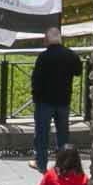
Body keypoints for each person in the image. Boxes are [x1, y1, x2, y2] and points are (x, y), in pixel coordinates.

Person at [29, 26, 81, 169]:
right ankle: (62, 164)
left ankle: (41, 163)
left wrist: (35, 96)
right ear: (60, 38)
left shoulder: (43, 57)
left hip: (44, 102)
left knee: (42, 134)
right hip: (64, 101)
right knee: (63, 134)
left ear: (47, 40)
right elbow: (78, 71)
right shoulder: (70, 55)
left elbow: (36, 79)